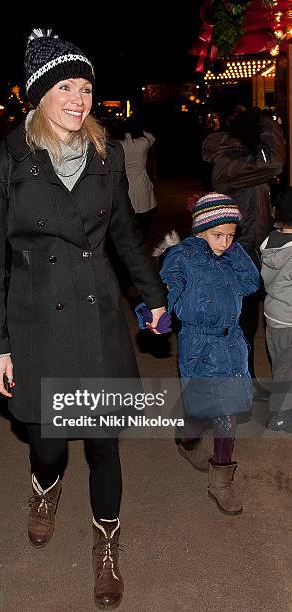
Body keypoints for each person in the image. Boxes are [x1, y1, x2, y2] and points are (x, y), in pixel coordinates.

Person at [0, 28, 167, 610]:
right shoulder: (2, 160)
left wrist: (152, 294)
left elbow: (126, 238)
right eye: (66, 86)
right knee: (51, 444)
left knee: (104, 447)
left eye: (85, 86)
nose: (79, 97)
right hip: (36, 324)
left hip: (98, 315)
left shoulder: (104, 158)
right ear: (39, 94)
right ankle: (44, 485)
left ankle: (106, 546)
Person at [136, 193, 260, 515]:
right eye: (218, 235)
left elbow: (251, 284)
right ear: (201, 230)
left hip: (231, 346)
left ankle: (221, 481)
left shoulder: (229, 253)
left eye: (231, 235)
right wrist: (155, 312)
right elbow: (168, 285)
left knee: (227, 415)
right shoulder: (183, 257)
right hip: (201, 347)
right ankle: (188, 440)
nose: (225, 242)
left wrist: (234, 251)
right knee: (201, 410)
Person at [202, 108, 285, 401]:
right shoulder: (230, 159)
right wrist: (268, 125)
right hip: (234, 254)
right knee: (235, 325)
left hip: (246, 251)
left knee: (245, 325)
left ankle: (244, 383)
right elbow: (273, 162)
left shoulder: (240, 155)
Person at [260, 187, 292, 433]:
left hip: (274, 315)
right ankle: (280, 416)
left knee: (281, 364)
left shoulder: (270, 241)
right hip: (289, 320)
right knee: (285, 369)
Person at [117, 116, 158, 241]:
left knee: (127, 222)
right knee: (144, 221)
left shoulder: (118, 145)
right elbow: (152, 138)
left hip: (124, 186)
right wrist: (142, 129)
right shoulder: (143, 143)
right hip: (142, 187)